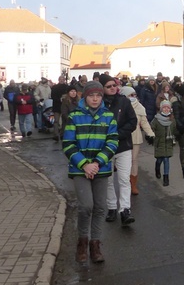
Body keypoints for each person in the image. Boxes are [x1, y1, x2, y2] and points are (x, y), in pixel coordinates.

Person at [63, 81, 119, 263]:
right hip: (80, 169)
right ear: (85, 97)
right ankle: (82, 242)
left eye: (98, 96)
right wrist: (85, 164)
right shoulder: (75, 116)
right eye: (91, 95)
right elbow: (68, 144)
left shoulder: (108, 116)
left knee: (100, 207)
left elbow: (112, 142)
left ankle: (95, 244)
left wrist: (96, 163)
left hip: (100, 168)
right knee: (86, 205)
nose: (95, 99)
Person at [99, 74, 138, 226]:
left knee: (123, 179)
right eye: (108, 86)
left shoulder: (124, 101)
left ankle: (125, 210)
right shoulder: (99, 104)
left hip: (123, 146)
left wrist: (118, 135)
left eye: (114, 85)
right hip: (105, 148)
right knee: (108, 179)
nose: (113, 88)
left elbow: (132, 121)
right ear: (102, 89)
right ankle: (111, 207)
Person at [119, 86, 154, 195]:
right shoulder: (120, 106)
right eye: (131, 95)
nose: (133, 97)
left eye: (134, 95)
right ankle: (124, 183)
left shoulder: (140, 107)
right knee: (123, 162)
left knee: (134, 160)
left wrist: (151, 134)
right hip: (122, 137)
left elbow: (144, 122)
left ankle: (133, 184)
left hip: (135, 138)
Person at [151, 100, 177, 186]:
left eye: (168, 108)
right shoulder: (156, 119)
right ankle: (157, 168)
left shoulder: (172, 119)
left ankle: (166, 177)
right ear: (161, 109)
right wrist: (151, 136)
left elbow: (175, 130)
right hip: (159, 143)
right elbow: (152, 128)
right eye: (164, 107)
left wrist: (176, 135)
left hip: (168, 142)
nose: (166, 109)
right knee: (159, 160)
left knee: (166, 159)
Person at [50, 76, 71, 142]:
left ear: (64, 80)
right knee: (56, 121)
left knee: (64, 121)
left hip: (65, 106)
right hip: (57, 105)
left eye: (63, 79)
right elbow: (52, 96)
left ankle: (62, 134)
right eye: (60, 79)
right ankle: (56, 134)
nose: (62, 80)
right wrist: (59, 99)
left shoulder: (67, 87)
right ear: (58, 80)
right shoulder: (54, 87)